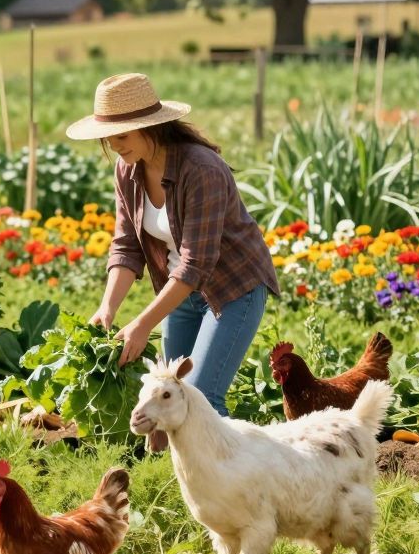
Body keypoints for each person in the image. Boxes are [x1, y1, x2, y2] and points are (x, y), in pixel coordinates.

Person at [66, 73, 278, 415]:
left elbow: (196, 263)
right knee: (168, 395)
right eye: (108, 139)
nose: (116, 146)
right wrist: (108, 309)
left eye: (122, 136)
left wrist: (143, 324)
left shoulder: (201, 169)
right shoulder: (127, 169)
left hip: (232, 289)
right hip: (181, 292)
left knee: (201, 397)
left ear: (151, 127)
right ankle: (174, 469)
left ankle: (228, 470)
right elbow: (126, 246)